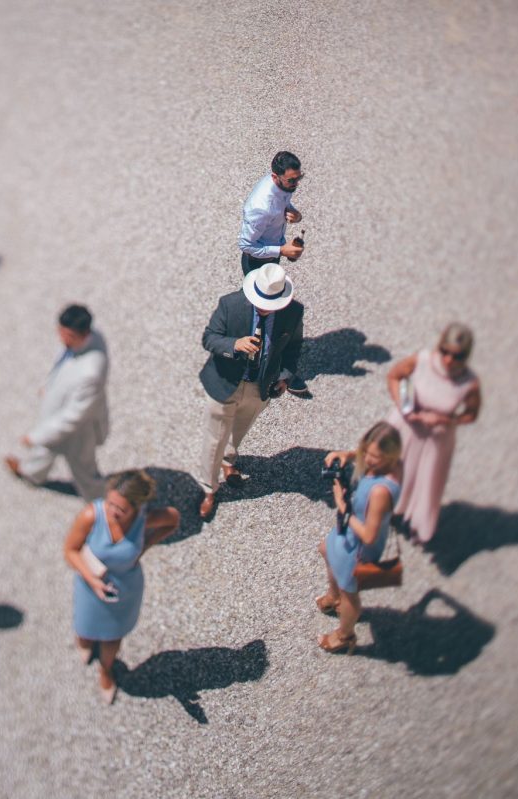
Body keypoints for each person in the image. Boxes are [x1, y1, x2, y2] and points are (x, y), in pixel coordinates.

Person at [195, 263, 304, 519]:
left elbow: (293, 348)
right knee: (214, 438)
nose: (266, 308)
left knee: (239, 430)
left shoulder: (294, 312)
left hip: (259, 387)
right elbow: (209, 338)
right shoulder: (230, 305)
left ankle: (228, 462)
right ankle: (208, 487)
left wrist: (285, 378)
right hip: (224, 383)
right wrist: (235, 344)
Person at [64, 470, 180, 703]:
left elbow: (173, 519)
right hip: (90, 584)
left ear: (137, 508)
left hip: (125, 588)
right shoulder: (91, 515)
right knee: (85, 627)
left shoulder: (144, 520)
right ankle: (85, 641)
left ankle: (106, 670)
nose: (112, 511)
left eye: (121, 509)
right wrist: (92, 580)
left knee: (112, 637)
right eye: (110, 503)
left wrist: (146, 544)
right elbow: (70, 550)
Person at [385, 323, 482, 544]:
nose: (448, 359)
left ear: (465, 356)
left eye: (456, 356)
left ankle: (417, 524)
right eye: (445, 352)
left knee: (425, 482)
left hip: (436, 439)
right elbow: (394, 376)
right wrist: (402, 405)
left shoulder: (469, 382)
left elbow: (471, 414)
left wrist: (448, 420)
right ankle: (385, 510)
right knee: (391, 472)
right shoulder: (422, 360)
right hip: (405, 428)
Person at [5, 304, 110, 501]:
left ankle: (100, 504)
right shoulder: (82, 341)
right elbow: (62, 365)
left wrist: (36, 436)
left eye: (64, 333)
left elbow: (74, 417)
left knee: (84, 469)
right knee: (44, 451)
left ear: (75, 334)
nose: (59, 337)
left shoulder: (91, 371)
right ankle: (31, 473)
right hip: (54, 415)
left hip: (78, 432)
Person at [316, 421, 404, 654]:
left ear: (390, 456)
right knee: (326, 549)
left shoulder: (380, 492)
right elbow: (364, 456)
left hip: (358, 546)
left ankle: (345, 635)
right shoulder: (390, 465)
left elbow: (369, 534)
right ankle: (334, 597)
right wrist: (347, 454)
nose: (368, 460)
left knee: (350, 593)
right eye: (366, 452)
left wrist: (342, 505)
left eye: (375, 457)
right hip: (347, 533)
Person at [238, 151, 311, 398]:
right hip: (258, 263)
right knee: (262, 316)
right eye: (292, 181)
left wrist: (294, 213)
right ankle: (255, 367)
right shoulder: (260, 206)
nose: (296, 184)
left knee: (267, 314)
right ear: (275, 176)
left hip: (270, 257)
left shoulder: (281, 189)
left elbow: (283, 204)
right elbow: (247, 245)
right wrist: (282, 249)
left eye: (299, 178)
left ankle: (266, 363)